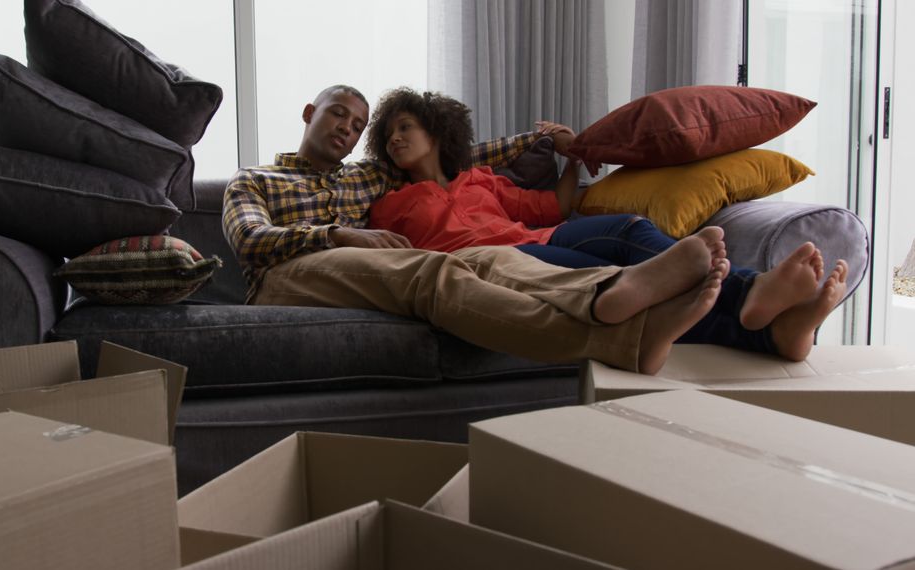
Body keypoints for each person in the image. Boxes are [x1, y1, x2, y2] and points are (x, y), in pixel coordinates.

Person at [222, 84, 734, 375]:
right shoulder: (254, 179)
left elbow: (462, 157)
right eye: (337, 114)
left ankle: (625, 308)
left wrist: (549, 142)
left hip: (362, 269)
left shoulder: (365, 176)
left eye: (357, 125)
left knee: (463, 265)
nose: (346, 128)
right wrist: (336, 234)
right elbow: (249, 241)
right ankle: (621, 332)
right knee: (433, 271)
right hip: (285, 275)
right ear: (310, 114)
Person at [364, 87, 849, 361]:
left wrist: (571, 154)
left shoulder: (481, 180)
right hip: (507, 261)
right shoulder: (389, 205)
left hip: (541, 236)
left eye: (405, 127)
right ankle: (767, 326)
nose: (395, 139)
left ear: (435, 131)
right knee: (624, 285)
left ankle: (759, 302)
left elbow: (554, 208)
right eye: (388, 136)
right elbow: (393, 258)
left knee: (631, 230)